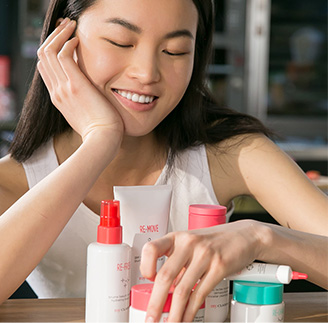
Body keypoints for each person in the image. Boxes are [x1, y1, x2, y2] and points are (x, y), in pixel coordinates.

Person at [0, 0, 327, 321]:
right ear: (62, 41)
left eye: (175, 51)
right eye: (121, 42)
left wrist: (261, 238)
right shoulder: (13, 180)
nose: (146, 73)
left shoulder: (234, 153)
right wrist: (100, 139)